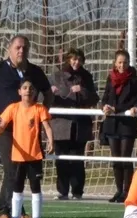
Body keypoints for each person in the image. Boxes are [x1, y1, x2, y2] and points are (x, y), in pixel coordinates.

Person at [0, 34, 52, 218]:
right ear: (9, 49)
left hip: (28, 130)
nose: (21, 51)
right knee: (12, 166)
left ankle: (15, 212)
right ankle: (8, 212)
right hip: (5, 128)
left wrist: (42, 115)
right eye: (17, 47)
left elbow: (48, 93)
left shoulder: (35, 72)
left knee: (26, 170)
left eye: (25, 48)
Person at [0, 79, 55, 218]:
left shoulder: (39, 109)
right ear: (19, 92)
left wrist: (51, 141)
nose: (28, 90)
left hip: (34, 155)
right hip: (18, 156)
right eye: (24, 88)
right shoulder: (13, 108)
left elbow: (47, 127)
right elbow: (2, 125)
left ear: (35, 92)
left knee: (35, 187)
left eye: (31, 88)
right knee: (17, 187)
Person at [50, 48, 98, 200]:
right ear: (68, 59)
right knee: (61, 160)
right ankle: (62, 191)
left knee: (77, 160)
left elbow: (94, 99)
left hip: (80, 125)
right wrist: (50, 92)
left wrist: (82, 91)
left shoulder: (86, 77)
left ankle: (77, 191)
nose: (76, 62)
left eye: (79, 60)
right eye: (74, 59)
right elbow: (43, 97)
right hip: (60, 124)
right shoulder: (56, 76)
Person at [99, 50, 137, 203]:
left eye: (125, 62)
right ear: (115, 63)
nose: (122, 65)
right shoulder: (110, 78)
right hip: (112, 123)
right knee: (116, 158)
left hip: (126, 124)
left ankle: (127, 191)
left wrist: (116, 109)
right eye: (119, 62)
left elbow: (134, 101)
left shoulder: (135, 80)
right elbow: (105, 97)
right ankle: (118, 190)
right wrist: (104, 107)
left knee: (125, 158)